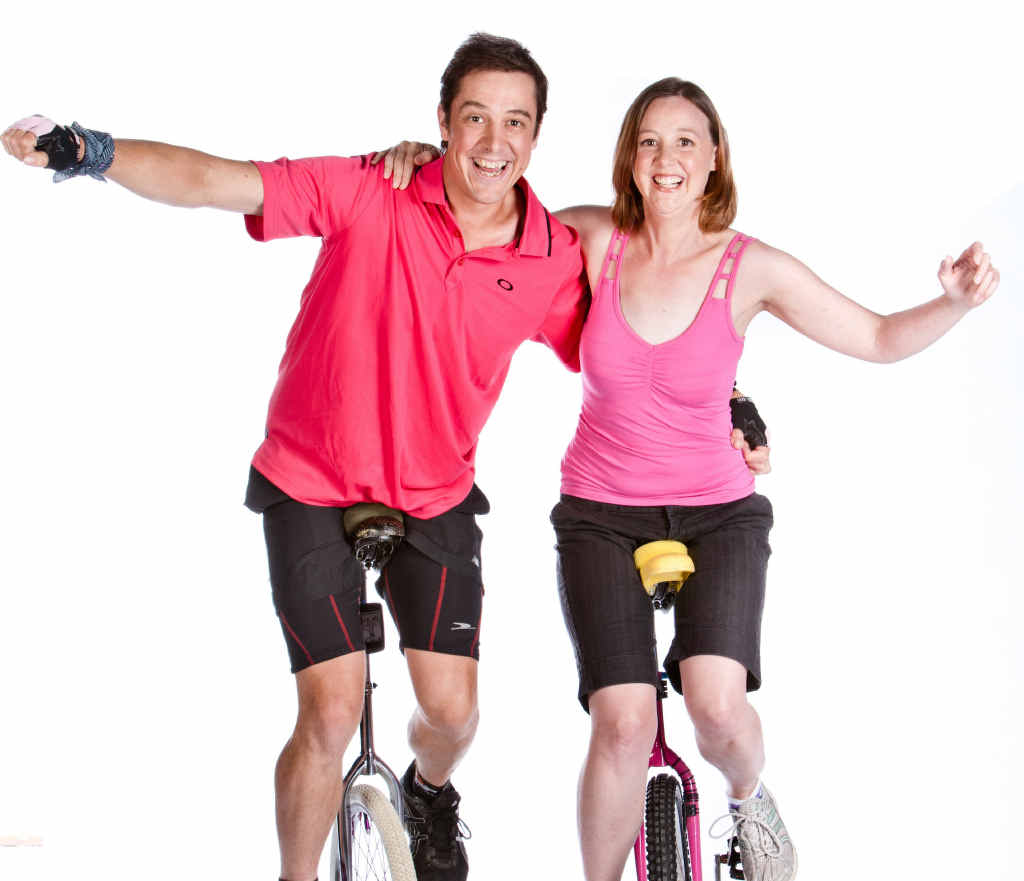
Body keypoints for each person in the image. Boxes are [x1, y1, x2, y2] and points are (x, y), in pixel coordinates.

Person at [0, 35, 766, 881]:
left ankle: (428, 794)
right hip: (310, 483)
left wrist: (729, 401)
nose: (493, 140)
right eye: (474, 117)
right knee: (329, 715)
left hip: (436, 495)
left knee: (454, 714)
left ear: (538, 135)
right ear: (442, 121)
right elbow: (219, 180)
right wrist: (92, 152)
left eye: (515, 121)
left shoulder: (549, 254)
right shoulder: (375, 185)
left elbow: (640, 350)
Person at [380, 76, 998, 881]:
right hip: (600, 513)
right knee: (623, 722)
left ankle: (748, 800)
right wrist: (428, 161)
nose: (664, 158)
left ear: (713, 160)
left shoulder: (750, 268)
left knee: (716, 707)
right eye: (648, 140)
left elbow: (878, 336)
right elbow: (488, 216)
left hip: (717, 516)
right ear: (629, 159)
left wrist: (950, 303)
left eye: (683, 141)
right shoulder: (596, 241)